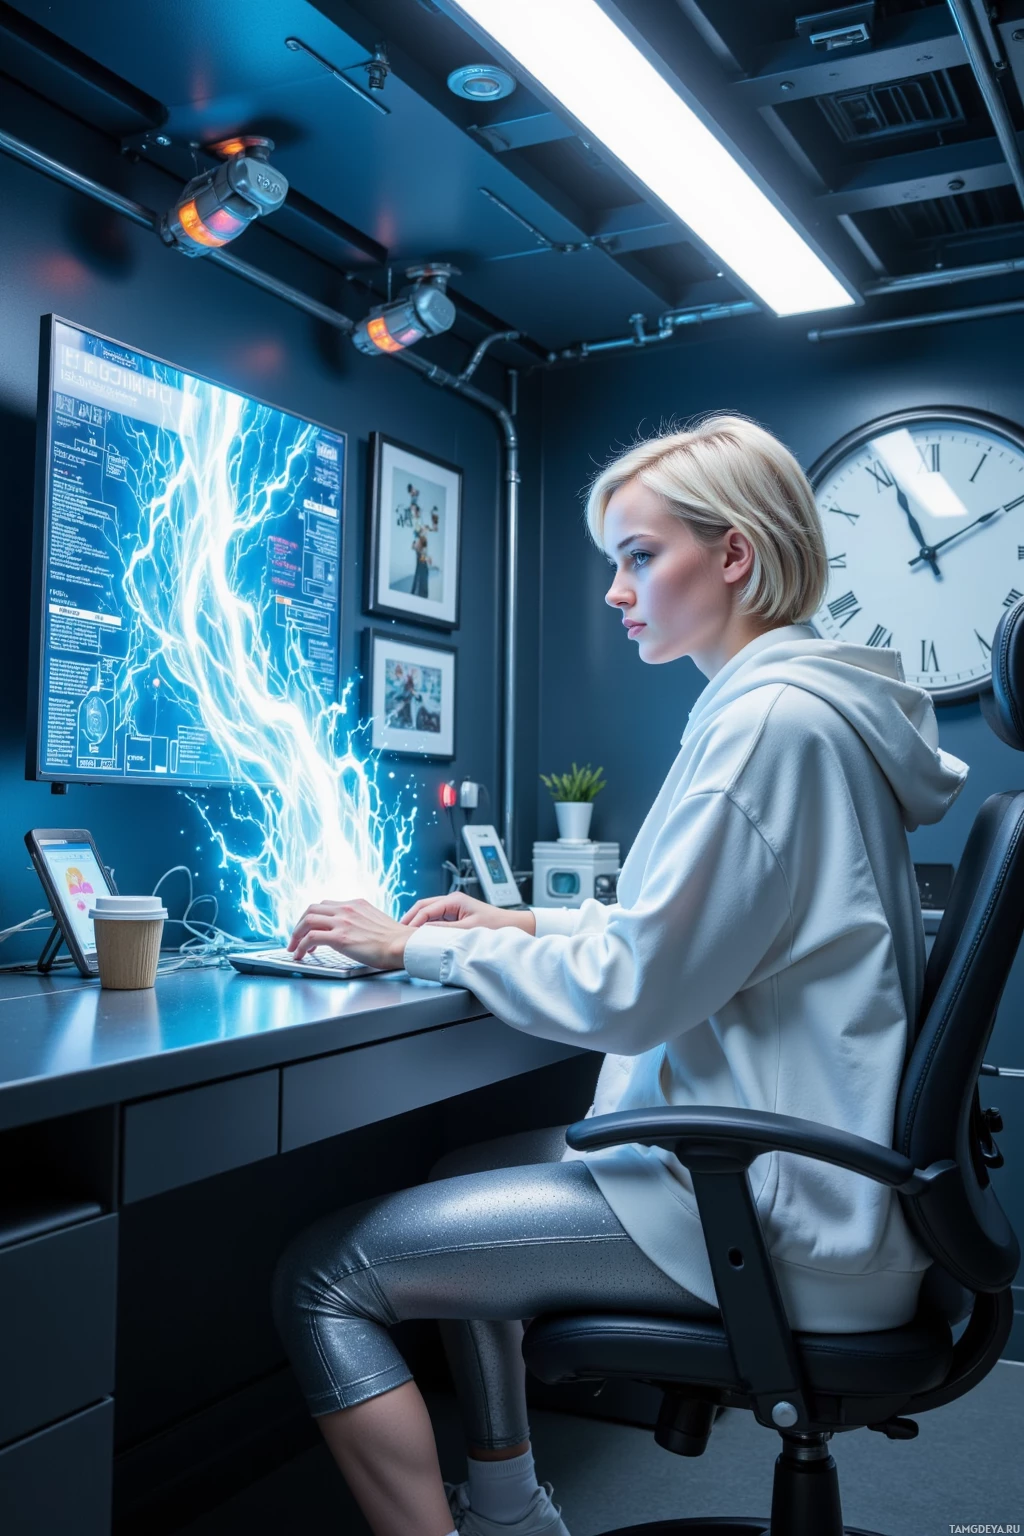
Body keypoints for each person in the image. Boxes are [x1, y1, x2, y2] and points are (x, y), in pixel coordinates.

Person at [273, 415, 968, 1536]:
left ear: (733, 555)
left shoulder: (768, 725)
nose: (616, 590)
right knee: (465, 1160)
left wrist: (422, 946)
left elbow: (634, 990)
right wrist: (524, 918)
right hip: (811, 1177)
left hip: (773, 1210)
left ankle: (494, 1519)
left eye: (639, 556)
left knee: (323, 1278)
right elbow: (704, 927)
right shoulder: (804, 709)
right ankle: (512, 1512)